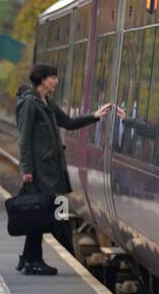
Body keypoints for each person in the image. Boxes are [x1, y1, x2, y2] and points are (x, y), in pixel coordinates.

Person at [15, 63, 120, 275]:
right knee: (43, 214)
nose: (56, 81)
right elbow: (24, 138)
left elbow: (69, 123)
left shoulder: (46, 101)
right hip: (38, 171)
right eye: (53, 77)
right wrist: (27, 170)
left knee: (41, 214)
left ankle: (28, 259)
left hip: (51, 170)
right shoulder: (29, 103)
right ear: (42, 80)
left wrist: (95, 115)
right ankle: (33, 260)